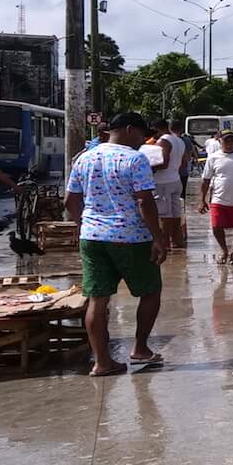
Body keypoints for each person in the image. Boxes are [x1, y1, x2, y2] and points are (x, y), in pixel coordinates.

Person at [66, 109, 169, 376]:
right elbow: (144, 200)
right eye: (140, 135)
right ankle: (141, 348)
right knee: (150, 291)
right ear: (129, 130)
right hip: (131, 237)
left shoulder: (84, 158)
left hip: (92, 238)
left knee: (97, 300)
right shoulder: (135, 159)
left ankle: (102, 362)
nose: (141, 141)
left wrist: (84, 224)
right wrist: (158, 238)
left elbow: (70, 201)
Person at [199, 129, 233, 264]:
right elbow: (206, 179)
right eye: (226, 140)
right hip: (218, 199)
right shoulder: (213, 157)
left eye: (232, 140)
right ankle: (224, 251)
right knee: (216, 227)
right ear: (219, 141)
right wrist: (202, 200)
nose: (229, 143)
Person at [142, 116, 188, 250]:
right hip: (175, 179)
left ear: (157, 129)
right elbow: (183, 163)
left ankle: (165, 242)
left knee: (164, 214)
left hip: (162, 182)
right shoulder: (179, 140)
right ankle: (177, 240)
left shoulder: (163, 141)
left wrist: (149, 168)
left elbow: (163, 163)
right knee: (175, 213)